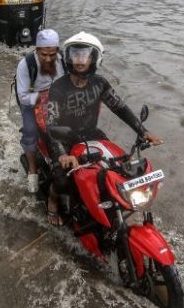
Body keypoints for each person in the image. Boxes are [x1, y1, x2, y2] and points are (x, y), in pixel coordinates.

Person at [46, 32, 163, 226]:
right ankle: (52, 201)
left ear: (94, 58)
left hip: (92, 134)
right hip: (64, 138)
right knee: (62, 179)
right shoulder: (58, 87)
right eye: (75, 55)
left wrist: (143, 131)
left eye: (85, 55)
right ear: (68, 57)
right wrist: (62, 155)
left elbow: (120, 108)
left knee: (121, 167)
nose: (79, 60)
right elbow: (51, 124)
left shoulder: (100, 83)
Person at [16, 29, 66, 194]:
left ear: (57, 51)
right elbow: (23, 96)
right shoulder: (26, 65)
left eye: (52, 54)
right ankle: (32, 168)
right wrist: (43, 97)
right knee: (30, 130)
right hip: (31, 99)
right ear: (37, 50)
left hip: (57, 99)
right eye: (43, 54)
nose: (48, 58)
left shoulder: (63, 61)